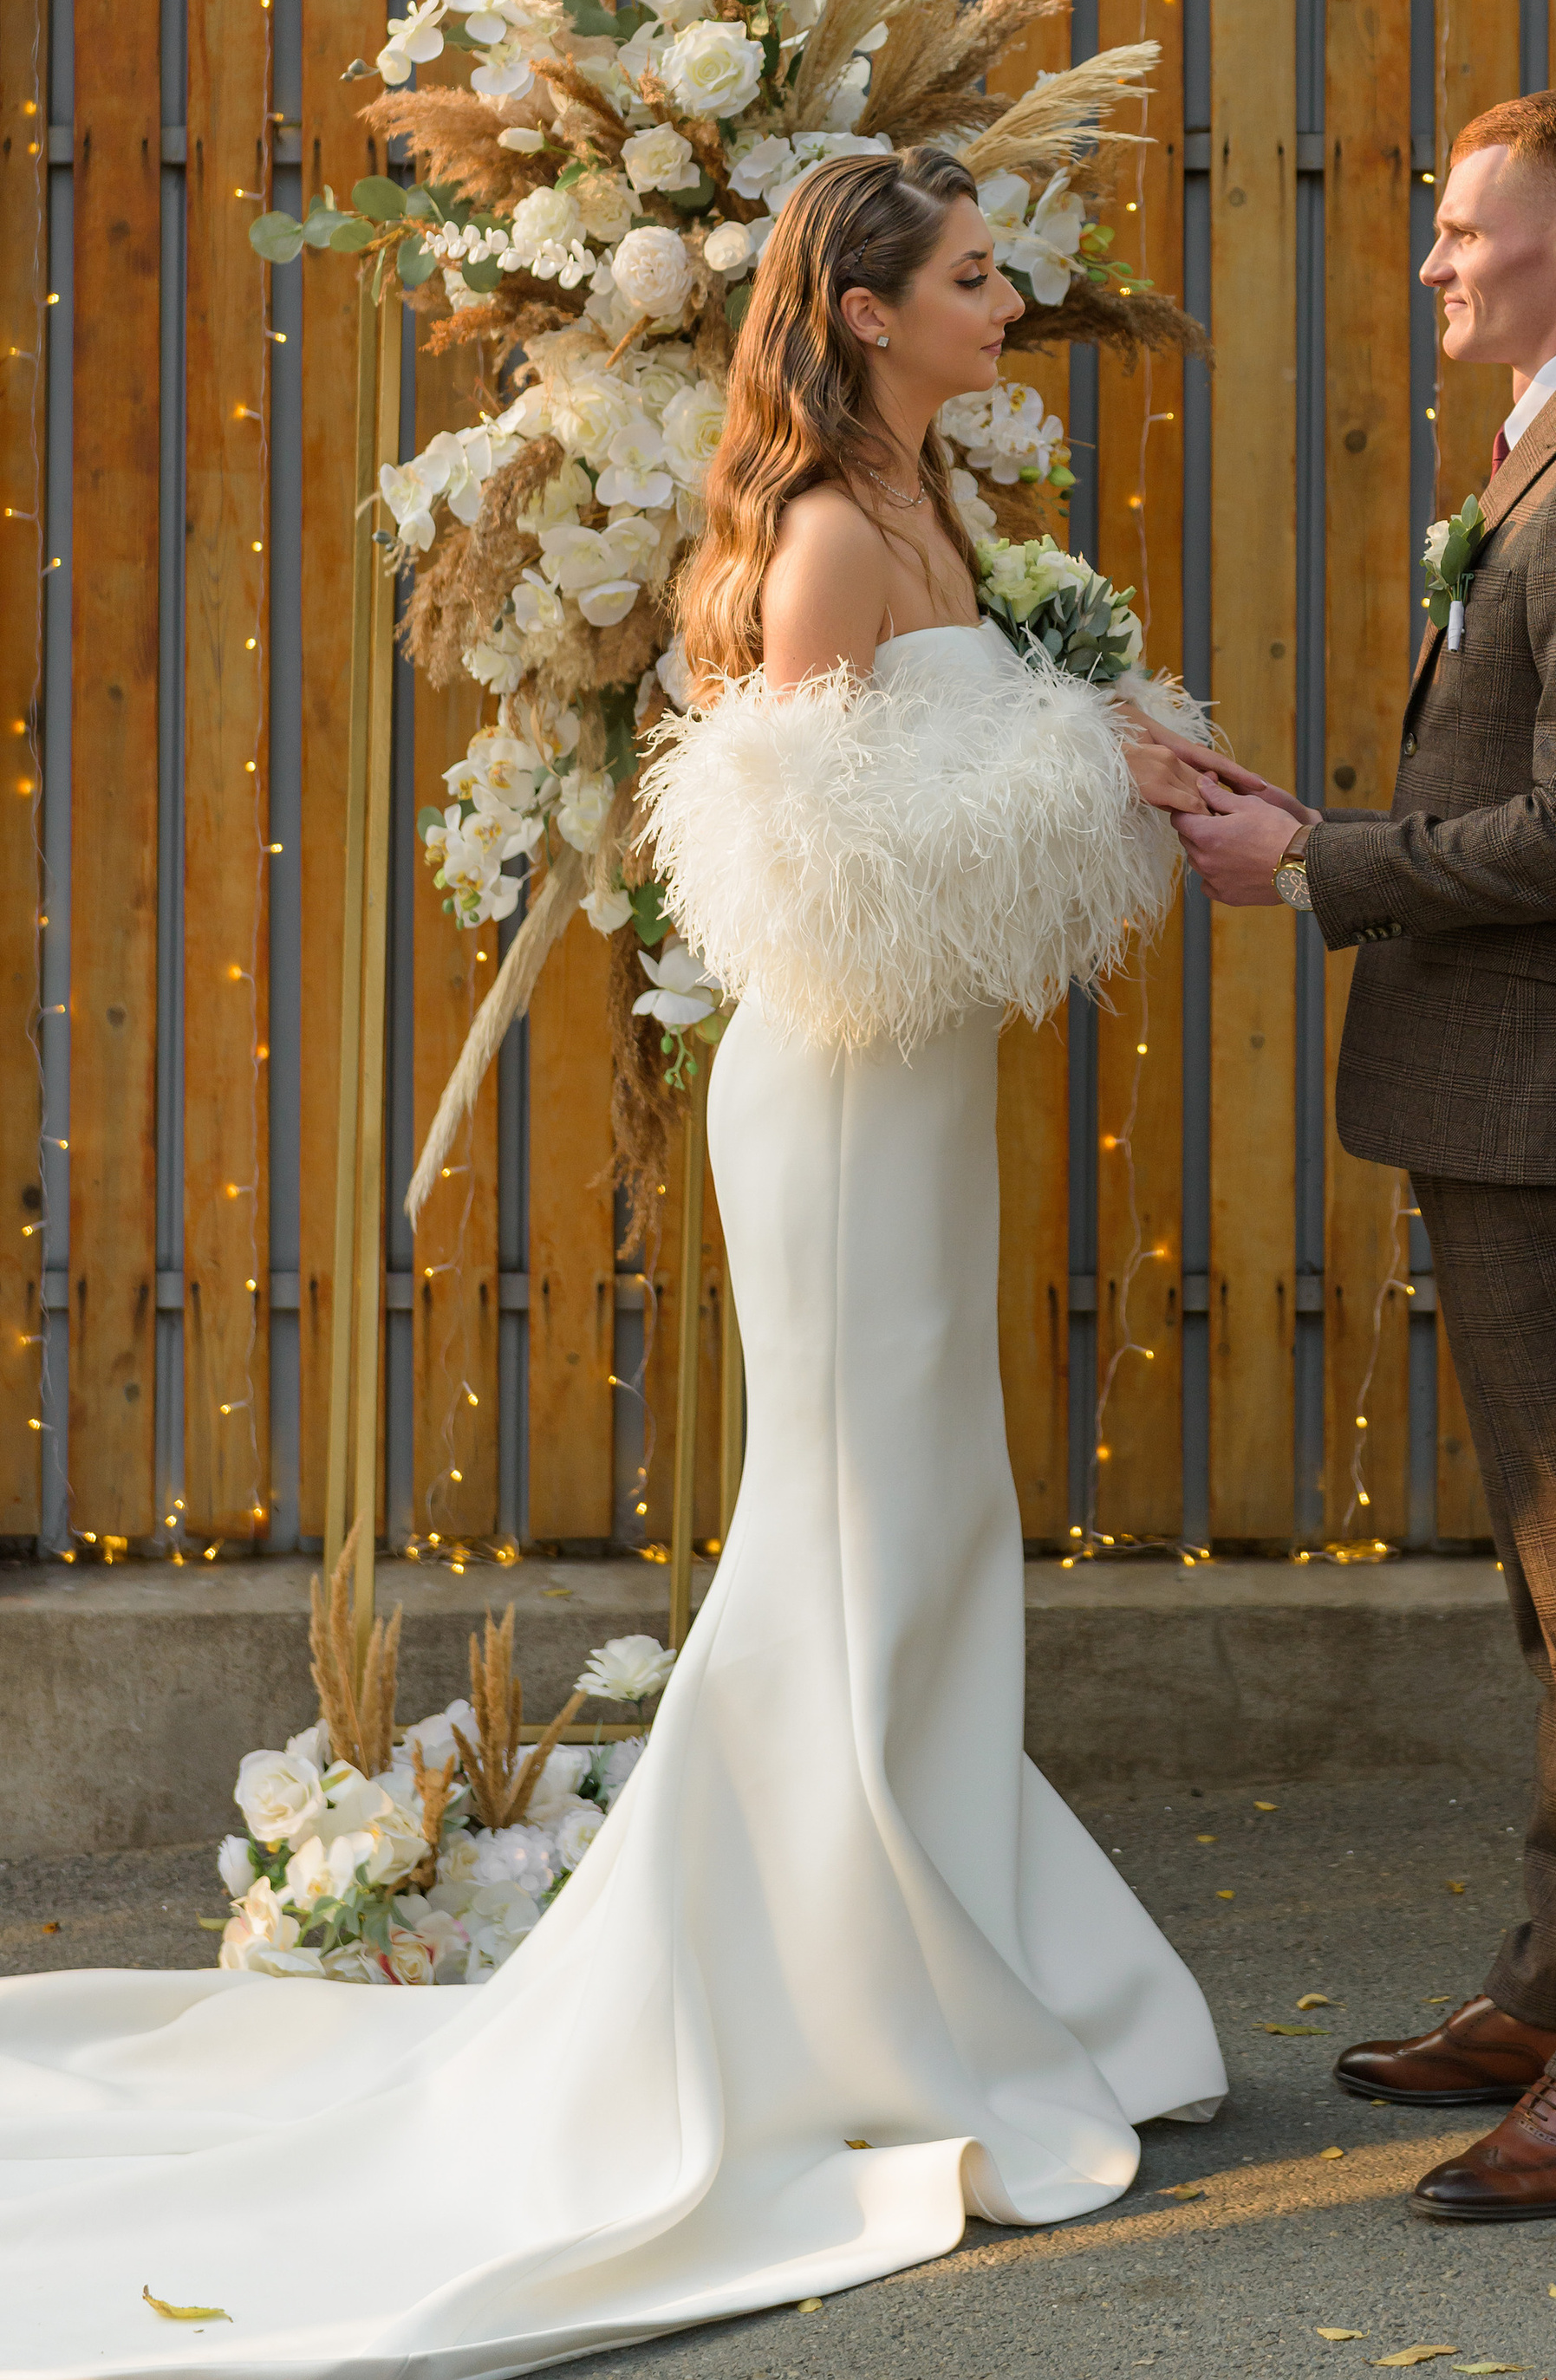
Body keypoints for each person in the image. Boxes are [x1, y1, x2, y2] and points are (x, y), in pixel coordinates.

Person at [0, 148, 1224, 2378]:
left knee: (935, 1509)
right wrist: (1085, 772)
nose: (1003, 298)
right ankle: (834, 2000)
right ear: (863, 313)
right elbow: (812, 861)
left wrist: (1114, 741)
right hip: (839, 1092)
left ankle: (951, 1936)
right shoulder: (837, 541)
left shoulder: (950, 521)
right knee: (849, 1518)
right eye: (967, 277)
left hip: (920, 1092)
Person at [1177, 88, 1556, 2229]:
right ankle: (1548, 1991)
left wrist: (1313, 863)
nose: (1432, 261)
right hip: (1508, 1099)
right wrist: (1303, 825)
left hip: (1555, 1115)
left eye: (1462, 231)